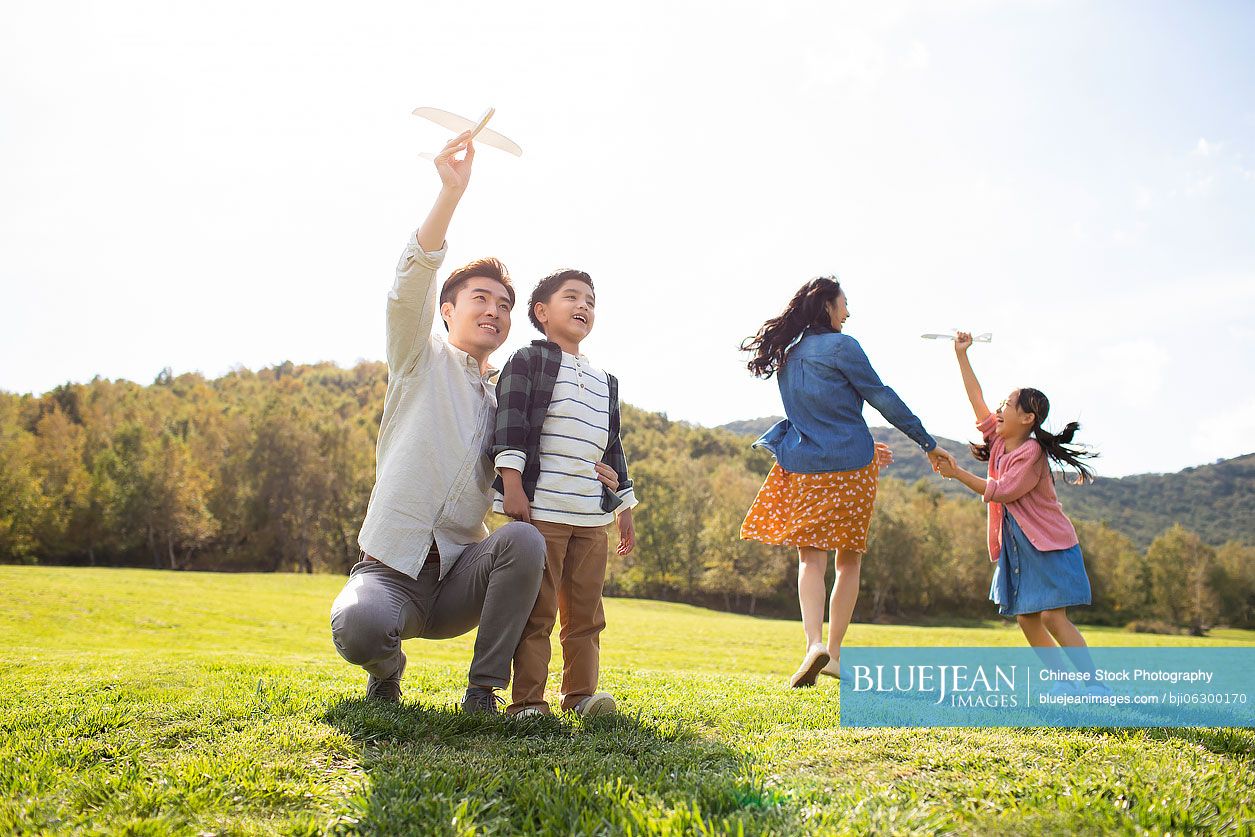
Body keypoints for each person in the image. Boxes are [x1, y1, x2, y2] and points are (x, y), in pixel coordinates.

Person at [329, 132, 617, 713]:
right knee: (360, 627)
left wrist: (602, 471)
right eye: (480, 299)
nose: (493, 310)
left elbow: (554, 452)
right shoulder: (418, 359)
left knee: (523, 538)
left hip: (466, 573)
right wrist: (451, 193)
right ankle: (387, 671)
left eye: (504, 305)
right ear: (447, 309)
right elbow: (406, 289)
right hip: (394, 572)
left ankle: (483, 691)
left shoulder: (508, 396)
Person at [739, 277, 955, 687]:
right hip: (852, 467)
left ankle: (813, 645)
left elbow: (817, 415)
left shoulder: (788, 354)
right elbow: (882, 396)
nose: (848, 313)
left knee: (810, 559)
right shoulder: (844, 347)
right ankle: (834, 654)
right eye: (844, 304)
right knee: (849, 559)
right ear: (826, 306)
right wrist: (927, 442)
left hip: (803, 464)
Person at [492, 269, 639, 718]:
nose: (583, 307)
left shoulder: (605, 381)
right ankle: (528, 703)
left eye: (590, 301)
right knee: (537, 612)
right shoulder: (527, 361)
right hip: (543, 511)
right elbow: (510, 423)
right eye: (571, 297)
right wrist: (513, 486)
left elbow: (613, 448)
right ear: (541, 312)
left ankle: (580, 697)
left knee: (587, 616)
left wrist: (625, 508)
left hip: (591, 517)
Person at [936, 331, 1100, 654]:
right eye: (1001, 405)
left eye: (1007, 405)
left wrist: (956, 473)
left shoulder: (1032, 452)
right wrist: (961, 355)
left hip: (1050, 544)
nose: (998, 409)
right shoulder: (998, 442)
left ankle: (1095, 685)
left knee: (1053, 616)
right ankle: (1063, 683)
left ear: (1027, 418)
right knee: (1026, 618)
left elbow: (1002, 491)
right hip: (1021, 545)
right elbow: (975, 398)